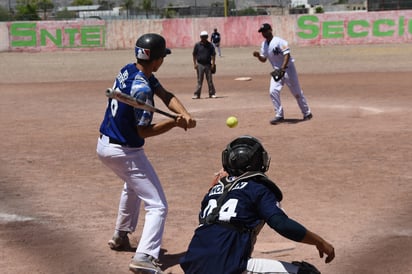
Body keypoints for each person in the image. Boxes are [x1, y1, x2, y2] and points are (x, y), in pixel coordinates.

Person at [96, 33, 196, 274]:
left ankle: (121, 234)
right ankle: (144, 257)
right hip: (125, 150)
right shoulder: (141, 89)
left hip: (106, 145)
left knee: (133, 186)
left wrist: (184, 114)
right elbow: (143, 132)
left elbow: (166, 95)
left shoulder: (130, 70)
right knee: (158, 205)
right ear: (158, 59)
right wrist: (174, 124)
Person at [180, 135, 335, 274]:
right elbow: (281, 224)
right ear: (260, 161)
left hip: (194, 264)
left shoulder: (213, 191)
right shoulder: (258, 187)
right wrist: (319, 242)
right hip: (228, 266)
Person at [253, 23, 313, 125]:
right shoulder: (264, 45)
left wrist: (283, 68)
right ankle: (279, 115)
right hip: (277, 71)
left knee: (297, 93)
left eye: (265, 31)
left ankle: (307, 113)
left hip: (289, 70)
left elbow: (287, 55)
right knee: (273, 91)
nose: (263, 33)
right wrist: (258, 56)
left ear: (270, 30)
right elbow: (264, 59)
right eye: (262, 32)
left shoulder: (280, 41)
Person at [192, 30, 217, 99]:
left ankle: (212, 93)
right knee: (199, 80)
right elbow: (194, 55)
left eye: (205, 37)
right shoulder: (197, 45)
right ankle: (197, 94)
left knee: (209, 80)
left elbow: (213, 55)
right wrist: (195, 64)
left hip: (208, 65)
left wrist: (213, 64)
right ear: (200, 37)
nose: (204, 38)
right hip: (200, 64)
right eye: (203, 37)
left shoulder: (210, 45)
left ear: (207, 37)